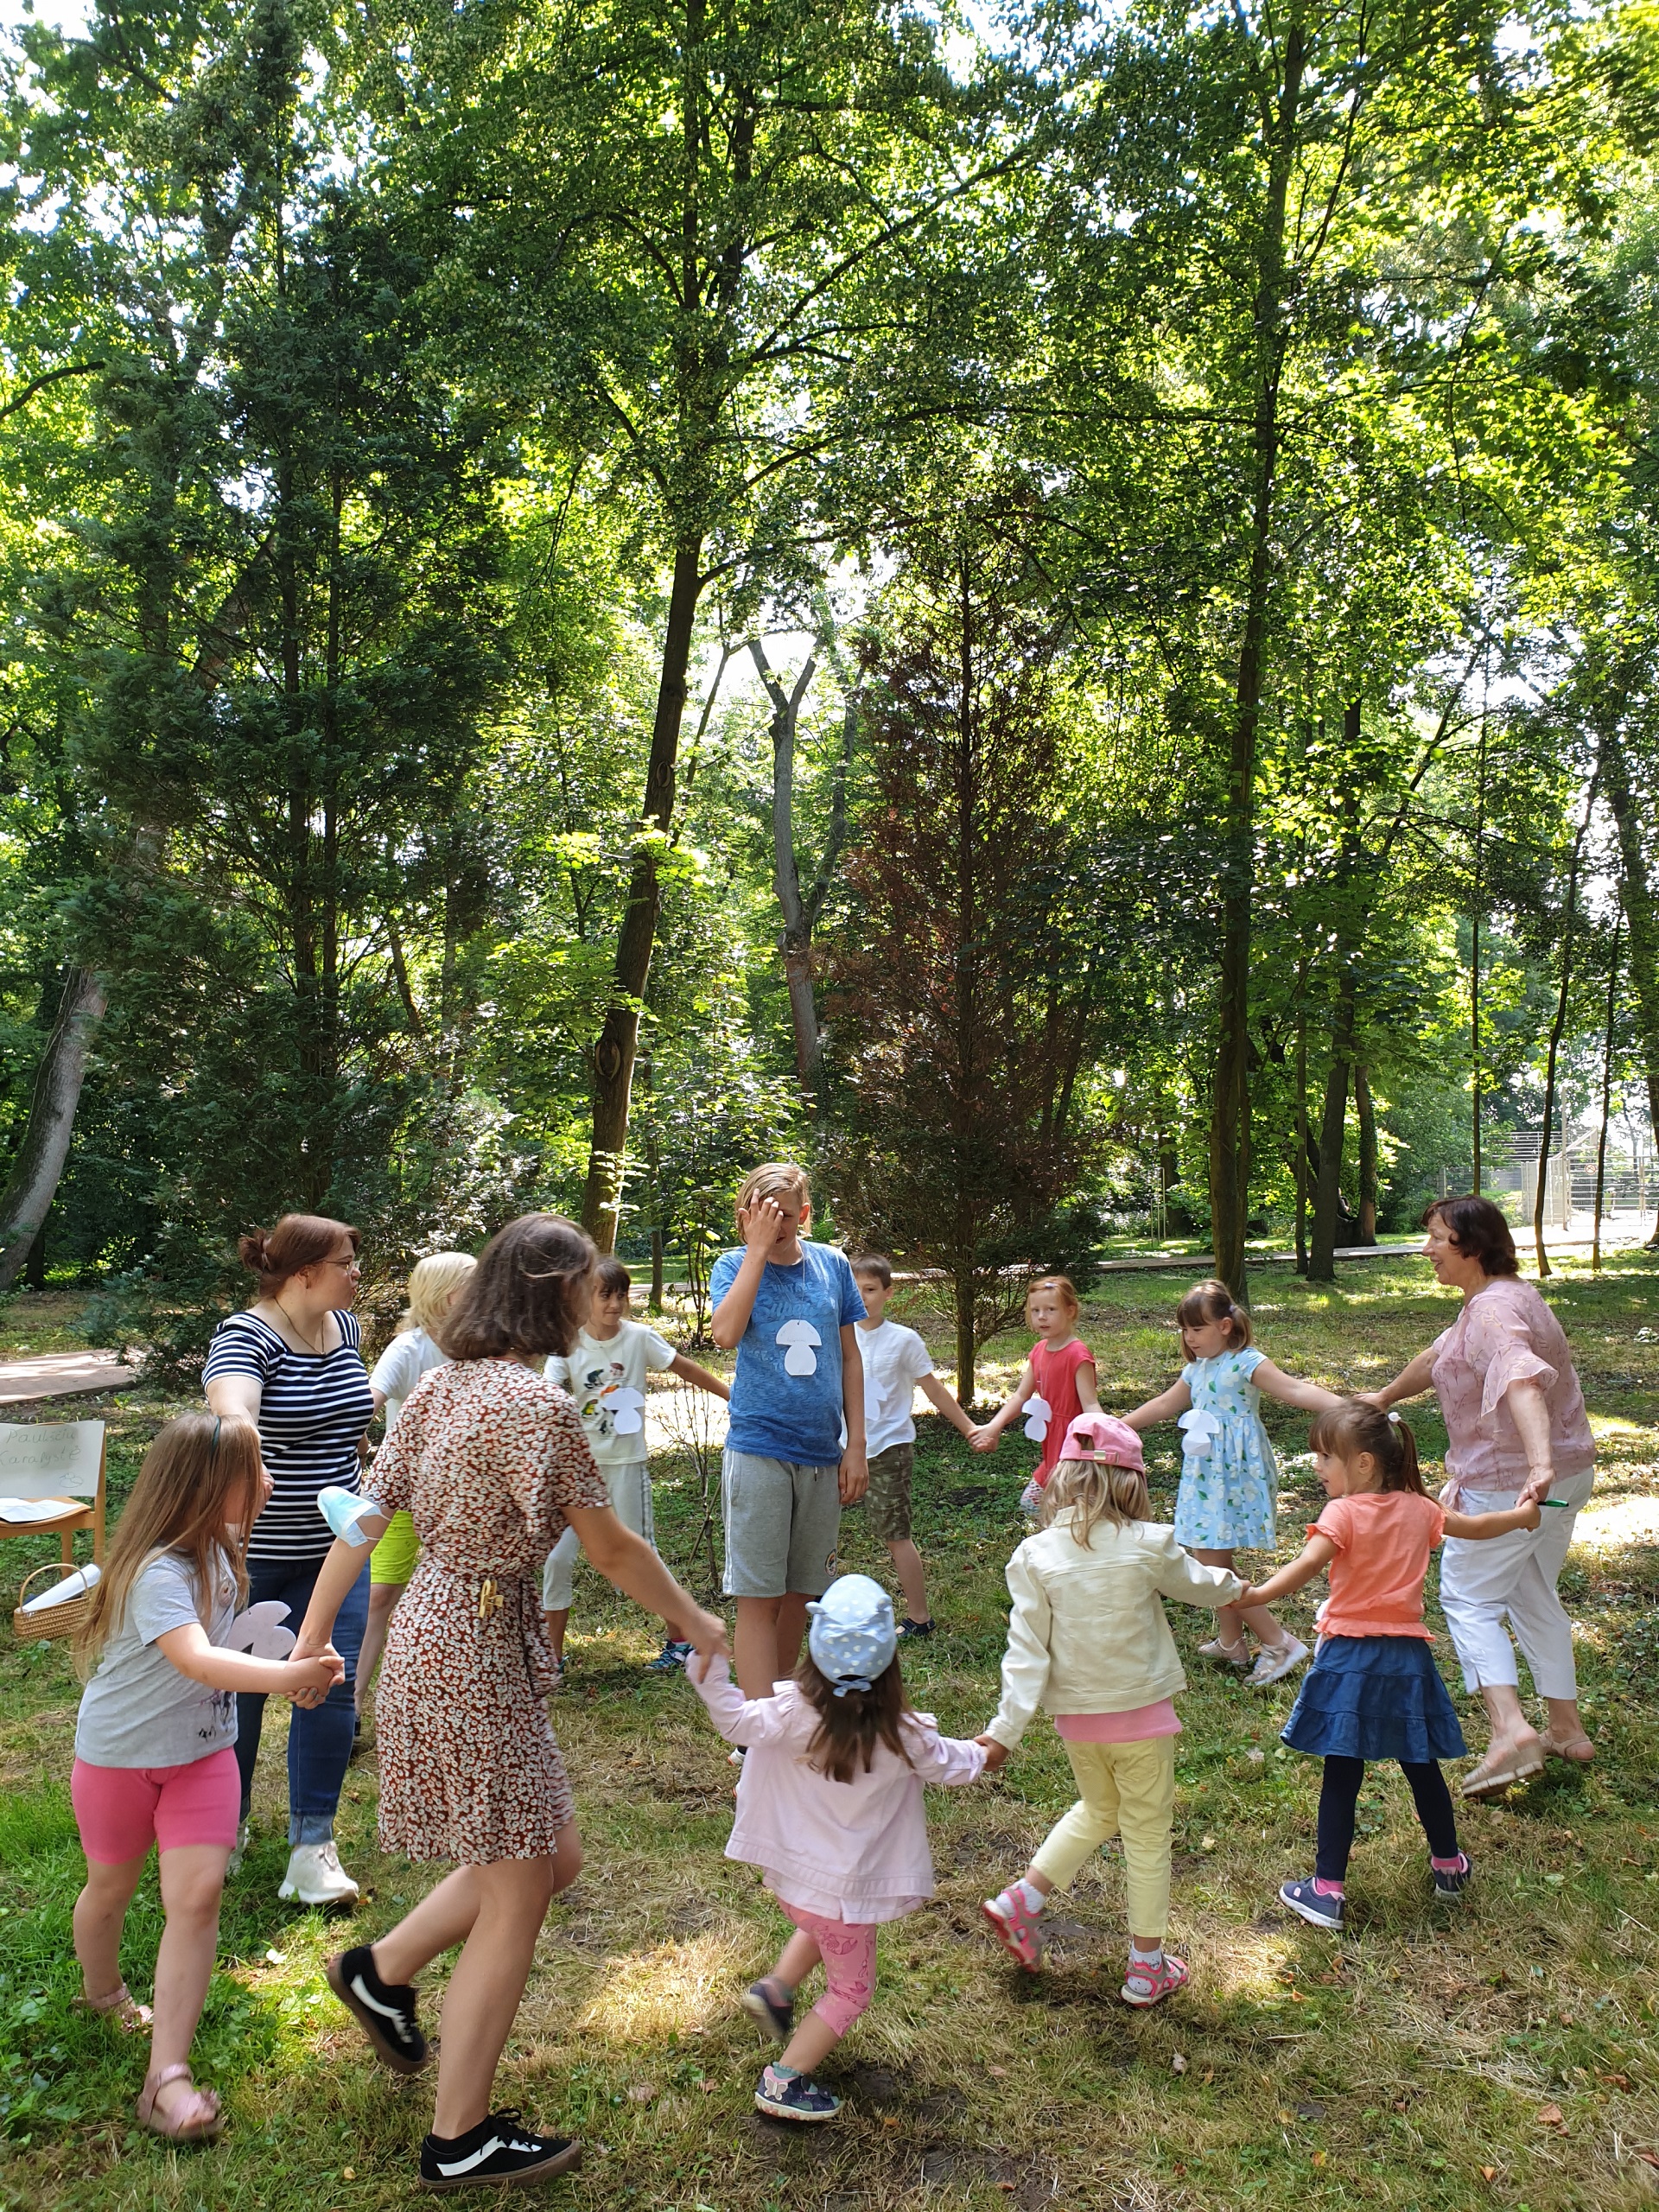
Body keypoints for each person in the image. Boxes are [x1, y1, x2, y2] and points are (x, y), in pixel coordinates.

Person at [292, 1212, 729, 2192]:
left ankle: (381, 1970)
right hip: (472, 1653)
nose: (595, 1299)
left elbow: (363, 1524)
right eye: (583, 1284)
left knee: (547, 1854)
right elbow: (610, 1547)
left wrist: (321, 1637)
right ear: (549, 1291)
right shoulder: (535, 1408)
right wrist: (703, 1626)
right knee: (523, 1882)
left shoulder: (443, 1385)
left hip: (437, 1642)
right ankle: (460, 2137)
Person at [69, 1414, 341, 2140]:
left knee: (197, 1896)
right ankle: (102, 1993)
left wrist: (296, 1665)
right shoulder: (159, 1569)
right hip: (118, 1761)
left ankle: (167, 2079)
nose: (269, 1482)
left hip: (201, 1755)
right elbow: (194, 1657)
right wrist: (287, 1677)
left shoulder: (221, 1548)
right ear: (204, 1487)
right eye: (254, 1473)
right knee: (110, 1890)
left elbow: (225, 1649)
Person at [687, 1573, 986, 2122]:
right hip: (845, 1893)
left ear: (813, 1650)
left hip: (796, 1884)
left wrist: (710, 1663)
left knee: (820, 1920)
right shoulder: (903, 1734)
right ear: (891, 1660)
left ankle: (777, 1989)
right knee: (851, 1991)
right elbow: (955, 1764)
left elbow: (733, 1716)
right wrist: (990, 1750)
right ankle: (783, 2081)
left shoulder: (787, 1711)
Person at [1236, 1400, 1541, 1930]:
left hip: (1350, 1657)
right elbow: (1480, 1525)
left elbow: (1306, 1567)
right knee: (1419, 1763)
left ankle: (1327, 1890)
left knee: (1342, 1769)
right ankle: (1448, 1865)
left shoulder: (1342, 1514)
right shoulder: (1421, 1509)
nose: (1317, 1467)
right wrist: (1524, 1516)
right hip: (1406, 1659)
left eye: (1325, 1457)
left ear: (1363, 1464)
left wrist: (1255, 1593)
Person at [976, 1414, 1245, 2003]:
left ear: (1063, 1480)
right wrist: (1240, 1589)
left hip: (1078, 1722)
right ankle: (1147, 1968)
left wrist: (1004, 1731)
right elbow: (1203, 1585)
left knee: (1100, 1809)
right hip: (1140, 1717)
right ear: (1132, 1485)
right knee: (1147, 1833)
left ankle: (1021, 1901)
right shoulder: (1150, 1544)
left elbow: (1025, 1654)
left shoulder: (1033, 1555)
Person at [1363, 1195, 1598, 1795]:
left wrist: (1536, 1463)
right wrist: (1383, 1398)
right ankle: (1566, 1728)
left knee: (1468, 1598)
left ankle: (1510, 1733)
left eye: (1438, 1238)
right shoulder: (1502, 1300)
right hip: (1565, 1476)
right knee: (1530, 1591)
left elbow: (1519, 1378)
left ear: (1471, 1244)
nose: (1428, 1249)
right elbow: (1440, 1356)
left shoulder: (1493, 1314)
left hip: (1511, 1481)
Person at [202, 1213, 375, 1904]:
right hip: (257, 1557)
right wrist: (242, 1433)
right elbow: (231, 1402)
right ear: (305, 1272)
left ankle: (312, 1849)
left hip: (340, 1548)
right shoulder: (248, 1336)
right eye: (347, 1261)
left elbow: (348, 1425)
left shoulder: (347, 1330)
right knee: (241, 1692)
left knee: (330, 1681)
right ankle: (224, 1826)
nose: (357, 1271)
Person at [1122, 1278, 1342, 1687]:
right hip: (1206, 1473)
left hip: (1233, 1475)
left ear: (1224, 1326)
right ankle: (1231, 1642)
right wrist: (1116, 1426)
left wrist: (1350, 1406)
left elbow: (1294, 1389)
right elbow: (1165, 1403)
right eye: (1185, 1330)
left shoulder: (1246, 1361)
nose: (1190, 1338)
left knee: (1211, 1563)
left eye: (1198, 1329)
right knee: (1212, 1557)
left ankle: (1278, 1642)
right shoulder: (1197, 1368)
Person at [710, 1163, 868, 1698]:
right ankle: (755, 1732)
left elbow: (850, 1358)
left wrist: (857, 1447)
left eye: (786, 1214)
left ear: (804, 1214)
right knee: (760, 1594)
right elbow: (726, 1334)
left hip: (823, 1452)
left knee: (803, 1591)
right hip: (760, 1449)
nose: (776, 1225)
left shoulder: (832, 1265)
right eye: (763, 1214)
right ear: (745, 1216)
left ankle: (779, 1701)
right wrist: (756, 1253)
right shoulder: (733, 1265)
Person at [541, 1254, 731, 1674]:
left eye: (621, 1295)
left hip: (626, 1465)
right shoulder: (566, 1345)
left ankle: (680, 1641)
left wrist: (733, 1398)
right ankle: (551, 1657)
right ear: (581, 1298)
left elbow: (686, 1369)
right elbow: (543, 1399)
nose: (614, 1305)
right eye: (603, 1295)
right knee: (556, 1557)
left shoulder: (639, 1338)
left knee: (643, 1555)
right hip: (577, 1474)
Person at [357, 1251, 479, 1735]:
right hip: (404, 1494)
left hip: (464, 1498)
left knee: (460, 1596)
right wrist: (358, 1437)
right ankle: (353, 1708)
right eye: (472, 1286)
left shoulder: (481, 1346)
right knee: (378, 1595)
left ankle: (455, 1703)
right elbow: (369, 1401)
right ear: (444, 1294)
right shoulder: (408, 1348)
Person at [847, 1254, 979, 1639]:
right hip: (840, 1449)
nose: (862, 1297)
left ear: (888, 1292)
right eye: (855, 1290)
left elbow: (933, 1388)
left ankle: (919, 1617)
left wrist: (969, 1427)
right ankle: (820, 1607)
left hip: (889, 1449)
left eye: (870, 1289)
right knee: (819, 1530)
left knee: (895, 1533)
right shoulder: (839, 1336)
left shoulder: (903, 1340)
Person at [969, 1276, 1101, 1514]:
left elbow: (1090, 1404)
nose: (1042, 1316)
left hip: (1073, 1442)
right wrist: (994, 1425)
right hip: (1051, 1439)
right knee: (1034, 1503)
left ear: (1070, 1311)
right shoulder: (1039, 1351)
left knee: (1069, 1511)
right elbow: (1021, 1396)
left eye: (1051, 1309)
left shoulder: (1077, 1355)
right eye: (1035, 1310)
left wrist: (1108, 1433)